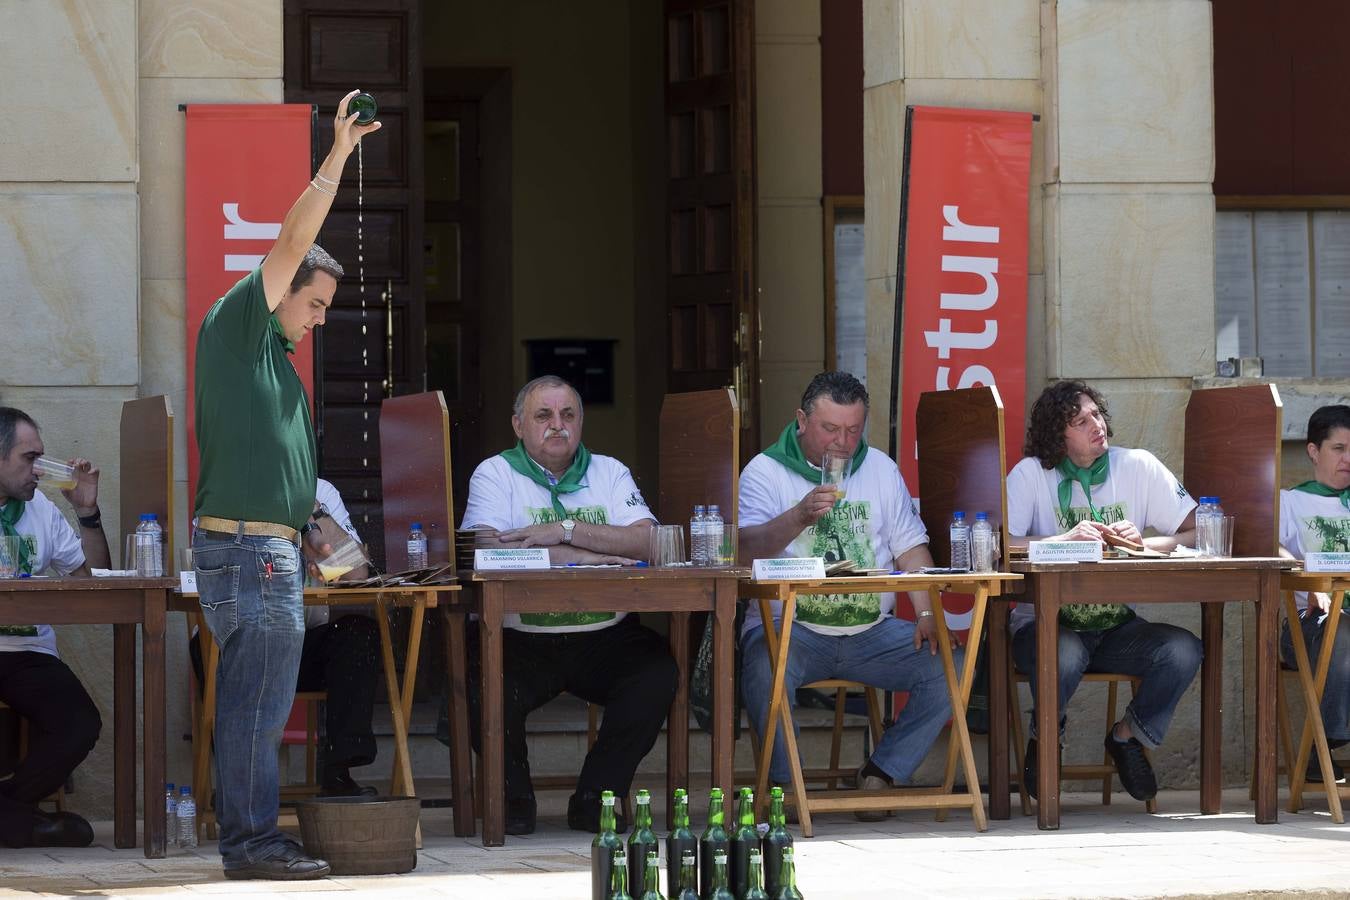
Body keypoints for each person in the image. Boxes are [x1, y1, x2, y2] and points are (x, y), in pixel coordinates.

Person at [191, 91, 379, 880]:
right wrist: (337, 154)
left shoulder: (276, 364)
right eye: (318, 301)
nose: (323, 318)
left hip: (269, 551)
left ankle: (250, 842)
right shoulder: (241, 322)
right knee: (256, 714)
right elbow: (296, 234)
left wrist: (316, 535)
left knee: (257, 712)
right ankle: (253, 846)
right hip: (245, 554)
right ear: (281, 286)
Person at [461, 375, 677, 835]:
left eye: (568, 415)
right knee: (477, 679)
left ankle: (596, 797)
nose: (557, 425)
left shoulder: (609, 471)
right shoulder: (495, 473)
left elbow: (651, 543)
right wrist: (588, 554)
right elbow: (487, 550)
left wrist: (566, 531)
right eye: (544, 416)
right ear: (518, 425)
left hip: (605, 637)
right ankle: (512, 799)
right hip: (520, 637)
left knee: (657, 673)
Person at [737, 371, 954, 820]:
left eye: (853, 430)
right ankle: (786, 788)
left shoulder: (878, 467)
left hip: (869, 630)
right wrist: (799, 515)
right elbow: (745, 549)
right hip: (791, 628)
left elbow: (910, 548)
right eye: (830, 429)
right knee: (763, 665)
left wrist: (928, 613)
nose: (842, 442)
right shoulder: (765, 470)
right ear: (801, 420)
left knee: (949, 665)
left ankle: (882, 772)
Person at [1006, 379, 1202, 802]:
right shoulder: (1030, 474)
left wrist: (1143, 545)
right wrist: (1063, 538)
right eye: (1081, 420)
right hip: (1044, 625)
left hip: (1116, 626)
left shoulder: (1137, 465)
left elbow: (1196, 528)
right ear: (1059, 436)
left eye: (1097, 414)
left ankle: (1127, 737)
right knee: (1064, 651)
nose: (1097, 425)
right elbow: (1004, 543)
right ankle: (1046, 737)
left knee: (1183, 649)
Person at [188, 478, 381, 797]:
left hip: (303, 641)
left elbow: (356, 574)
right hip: (239, 639)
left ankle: (338, 776)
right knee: (229, 646)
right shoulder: (224, 489)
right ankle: (239, 792)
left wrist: (311, 508)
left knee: (359, 636)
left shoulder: (320, 491)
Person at [0, 407, 109, 848]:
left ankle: (7, 807)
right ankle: (20, 822)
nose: (38, 471)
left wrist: (87, 513)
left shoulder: (40, 508)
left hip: (28, 654)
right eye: (29, 459)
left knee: (80, 723)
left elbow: (94, 581)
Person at [1278, 404, 1350, 784]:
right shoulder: (1291, 502)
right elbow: (1270, 547)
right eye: (1339, 449)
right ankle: (1327, 740)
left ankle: (1316, 749)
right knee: (1343, 625)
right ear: (1313, 451)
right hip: (1309, 626)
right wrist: (1307, 576)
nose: (1348, 459)